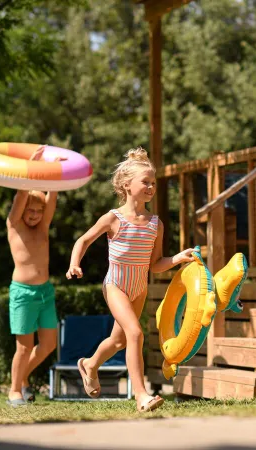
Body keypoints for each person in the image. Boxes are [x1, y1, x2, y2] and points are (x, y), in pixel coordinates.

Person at [66, 147, 194, 413]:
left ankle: (89, 365)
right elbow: (83, 240)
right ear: (127, 185)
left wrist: (179, 258)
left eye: (153, 183)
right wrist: (74, 264)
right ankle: (141, 395)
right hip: (116, 285)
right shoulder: (114, 218)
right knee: (135, 333)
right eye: (145, 182)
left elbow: (155, 265)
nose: (150, 187)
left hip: (139, 288)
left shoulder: (154, 223)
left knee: (120, 340)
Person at [6, 146, 59, 406]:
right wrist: (30, 167)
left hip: (45, 292)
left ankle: (21, 378)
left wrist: (56, 169)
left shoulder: (43, 226)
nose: (35, 214)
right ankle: (14, 391)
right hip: (23, 293)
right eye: (30, 210)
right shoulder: (14, 225)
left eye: (38, 210)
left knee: (49, 344)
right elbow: (20, 196)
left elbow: (53, 195)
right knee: (24, 347)